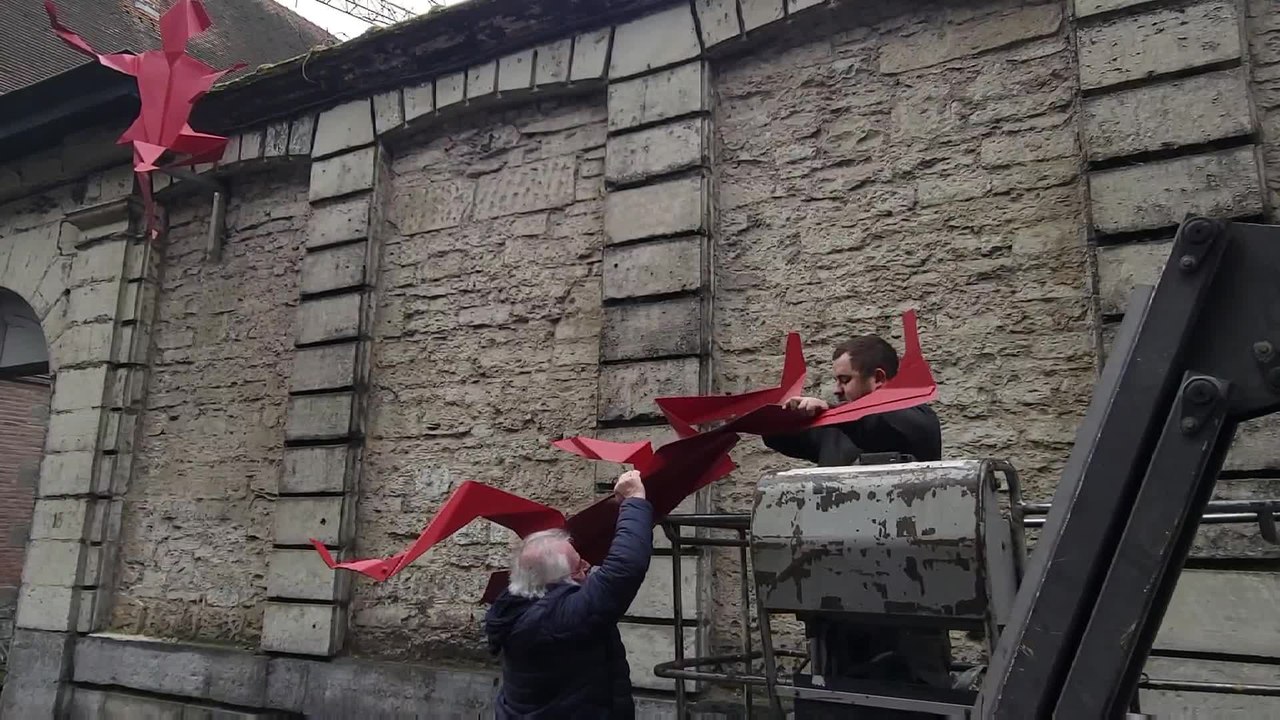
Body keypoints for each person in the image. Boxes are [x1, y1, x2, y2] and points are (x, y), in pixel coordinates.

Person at [763, 332, 949, 718]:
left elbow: (880, 424)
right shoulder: (834, 428)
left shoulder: (917, 420)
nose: (837, 390)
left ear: (878, 379)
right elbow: (779, 436)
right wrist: (786, 413)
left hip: (907, 606)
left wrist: (832, 411)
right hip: (839, 604)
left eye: (845, 380)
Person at [484, 471, 652, 719]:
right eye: (579, 565)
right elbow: (624, 568)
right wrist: (635, 499)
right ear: (556, 579)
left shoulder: (519, 604)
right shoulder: (558, 619)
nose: (588, 566)